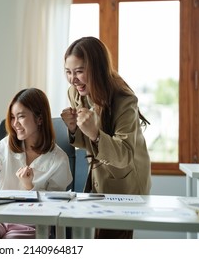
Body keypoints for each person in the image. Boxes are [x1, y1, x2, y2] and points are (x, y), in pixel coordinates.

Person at [60, 36, 151, 239]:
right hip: (99, 177)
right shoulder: (75, 92)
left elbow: (125, 154)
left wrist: (93, 132)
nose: (73, 79)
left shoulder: (124, 100)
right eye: (68, 72)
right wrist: (74, 129)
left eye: (79, 72)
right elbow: (90, 141)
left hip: (125, 181)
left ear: (96, 69)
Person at [0, 87, 73, 239]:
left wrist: (29, 187)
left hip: (30, 221)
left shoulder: (59, 159)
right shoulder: (6, 145)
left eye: (21, 117)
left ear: (39, 118)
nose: (15, 124)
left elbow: (55, 207)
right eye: (13, 117)